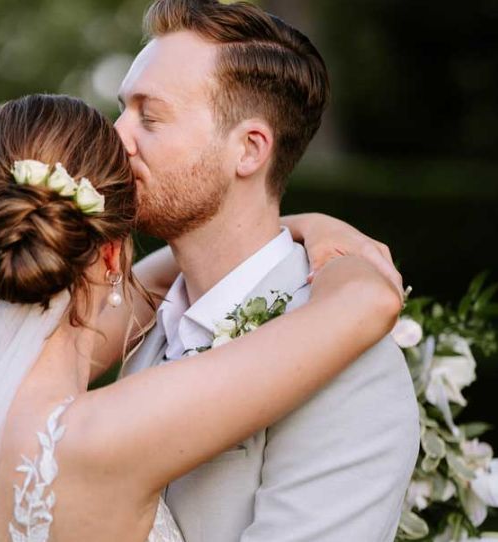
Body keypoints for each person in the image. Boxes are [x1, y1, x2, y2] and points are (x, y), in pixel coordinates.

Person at [0, 93, 406, 542]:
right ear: (115, 254)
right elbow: (369, 303)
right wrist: (321, 230)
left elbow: (154, 281)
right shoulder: (111, 433)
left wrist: (292, 227)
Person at [116, 1, 419, 541]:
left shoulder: (352, 366)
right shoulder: (145, 318)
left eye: (150, 116)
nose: (117, 137)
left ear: (250, 150)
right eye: (122, 109)